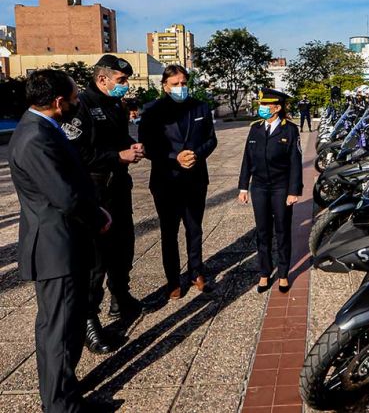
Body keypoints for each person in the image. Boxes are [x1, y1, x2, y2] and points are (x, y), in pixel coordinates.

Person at [9, 69, 111, 412]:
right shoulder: (35, 137)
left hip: (65, 243)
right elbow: (65, 196)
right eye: (73, 99)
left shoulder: (41, 128)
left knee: (63, 326)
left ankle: (64, 390)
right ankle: (61, 406)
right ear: (57, 103)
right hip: (56, 248)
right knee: (59, 332)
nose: (76, 103)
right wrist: (98, 216)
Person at [63, 54, 146, 354]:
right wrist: (118, 156)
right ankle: (88, 321)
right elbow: (77, 155)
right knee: (95, 259)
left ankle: (120, 297)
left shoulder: (115, 104)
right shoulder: (81, 106)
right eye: (121, 81)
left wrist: (131, 146)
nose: (125, 86)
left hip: (118, 187)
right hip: (95, 190)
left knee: (124, 246)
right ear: (103, 79)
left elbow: (119, 137)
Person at [138, 65, 217, 300]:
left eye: (184, 83)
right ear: (165, 86)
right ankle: (173, 280)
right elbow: (147, 145)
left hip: (195, 179)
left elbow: (211, 139)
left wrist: (196, 154)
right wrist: (175, 158)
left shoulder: (200, 106)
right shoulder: (152, 110)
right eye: (175, 84)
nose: (180, 88)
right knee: (169, 232)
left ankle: (196, 273)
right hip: (166, 181)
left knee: (194, 229)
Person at [238, 88, 303, 293]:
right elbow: (247, 158)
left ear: (277, 107)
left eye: (266, 105)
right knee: (263, 231)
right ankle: (264, 273)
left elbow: (296, 162)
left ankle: (283, 273)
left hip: (281, 187)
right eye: (262, 104)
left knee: (282, 230)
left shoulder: (290, 130)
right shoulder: (255, 128)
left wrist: (294, 191)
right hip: (259, 186)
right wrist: (243, 187)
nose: (262, 108)